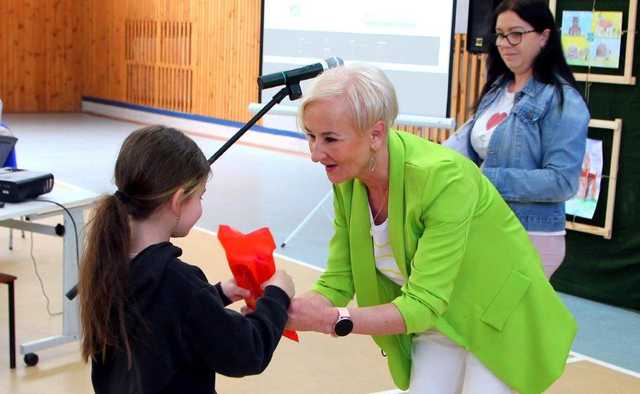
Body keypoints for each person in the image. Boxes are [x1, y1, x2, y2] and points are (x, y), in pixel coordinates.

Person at [287, 64, 577, 394]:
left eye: (330, 139)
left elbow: (423, 304)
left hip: (499, 319)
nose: (315, 153)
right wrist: (286, 308)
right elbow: (340, 277)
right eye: (310, 136)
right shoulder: (349, 180)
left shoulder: (442, 178)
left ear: (376, 134)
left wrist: (333, 319)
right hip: (438, 320)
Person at [78, 125, 295, 394]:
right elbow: (246, 352)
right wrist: (277, 297)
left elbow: (165, 321)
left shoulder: (110, 261)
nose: (201, 206)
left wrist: (217, 294)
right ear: (178, 199)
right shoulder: (179, 282)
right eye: (200, 196)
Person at [444, 0, 589, 278]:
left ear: (544, 36)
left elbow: (563, 182)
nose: (505, 43)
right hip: (485, 224)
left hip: (529, 233)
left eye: (516, 34)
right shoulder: (497, 89)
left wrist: (484, 179)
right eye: (500, 34)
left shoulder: (562, 101)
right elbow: (464, 147)